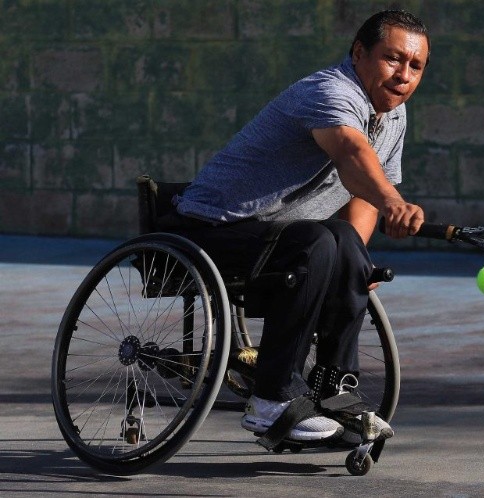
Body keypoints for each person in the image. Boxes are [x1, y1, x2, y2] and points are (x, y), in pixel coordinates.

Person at [171, 10, 430, 445]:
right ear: (359, 52)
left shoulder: (394, 117)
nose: (403, 75)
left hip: (277, 240)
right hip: (211, 229)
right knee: (316, 243)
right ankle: (271, 400)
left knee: (345, 246)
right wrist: (395, 204)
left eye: (415, 66)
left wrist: (353, 268)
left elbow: (361, 196)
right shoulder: (330, 91)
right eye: (393, 59)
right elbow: (351, 154)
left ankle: (333, 390)